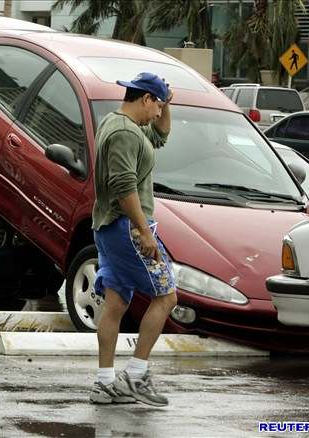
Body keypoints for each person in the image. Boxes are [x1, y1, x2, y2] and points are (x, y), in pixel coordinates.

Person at [89, 72, 177, 407]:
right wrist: (143, 230)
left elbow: (160, 136)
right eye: (157, 104)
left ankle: (105, 383)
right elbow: (124, 186)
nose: (159, 113)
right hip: (127, 226)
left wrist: (168, 105)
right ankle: (136, 376)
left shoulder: (117, 123)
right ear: (145, 99)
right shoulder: (126, 134)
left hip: (107, 227)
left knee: (116, 304)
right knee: (167, 298)